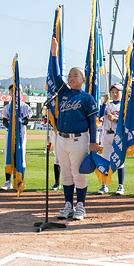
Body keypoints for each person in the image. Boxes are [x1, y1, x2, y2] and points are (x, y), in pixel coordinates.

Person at [50, 38, 98, 220]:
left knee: (78, 174)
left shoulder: (87, 98)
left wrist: (93, 142)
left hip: (79, 139)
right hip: (61, 138)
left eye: (75, 75)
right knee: (66, 174)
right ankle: (68, 205)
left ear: (83, 79)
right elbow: (56, 76)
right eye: (69, 75)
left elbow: (93, 122)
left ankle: (81, 206)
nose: (70, 78)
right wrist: (54, 55)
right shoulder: (63, 92)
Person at [0, 84, 34, 190]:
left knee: (21, 154)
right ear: (9, 93)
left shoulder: (24, 106)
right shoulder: (7, 106)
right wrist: (11, 127)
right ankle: (7, 182)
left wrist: (19, 122)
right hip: (9, 132)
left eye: (18, 90)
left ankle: (20, 180)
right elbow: (4, 121)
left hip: (21, 132)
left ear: (21, 93)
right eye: (12, 90)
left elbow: (26, 120)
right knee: (8, 155)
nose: (15, 92)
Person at [98, 83, 125, 195]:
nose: (114, 94)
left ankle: (120, 186)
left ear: (122, 93)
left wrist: (114, 119)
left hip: (117, 134)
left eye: (117, 92)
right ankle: (104, 185)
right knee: (104, 160)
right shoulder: (107, 105)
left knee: (119, 161)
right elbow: (99, 116)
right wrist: (104, 102)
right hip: (106, 134)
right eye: (113, 92)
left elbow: (125, 122)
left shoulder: (124, 106)